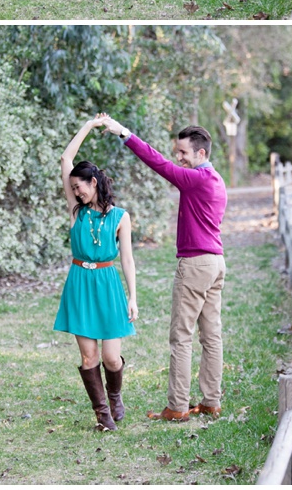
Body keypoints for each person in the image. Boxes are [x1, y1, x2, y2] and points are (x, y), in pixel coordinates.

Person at [98, 115, 226, 422]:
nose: (178, 157)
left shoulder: (196, 179)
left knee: (181, 337)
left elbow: (157, 163)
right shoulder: (217, 180)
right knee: (211, 336)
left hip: (195, 264)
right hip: (215, 263)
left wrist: (124, 133)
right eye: (177, 151)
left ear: (201, 154)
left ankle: (178, 406)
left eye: (183, 152)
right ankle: (211, 401)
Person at [54, 115, 138, 431]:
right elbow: (66, 158)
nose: (76, 192)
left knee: (111, 359)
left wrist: (133, 297)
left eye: (80, 187)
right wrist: (89, 126)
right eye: (72, 188)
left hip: (108, 284)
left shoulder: (120, 217)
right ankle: (103, 416)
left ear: (94, 182)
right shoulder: (75, 212)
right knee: (89, 359)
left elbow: (127, 260)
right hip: (79, 284)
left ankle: (115, 397)